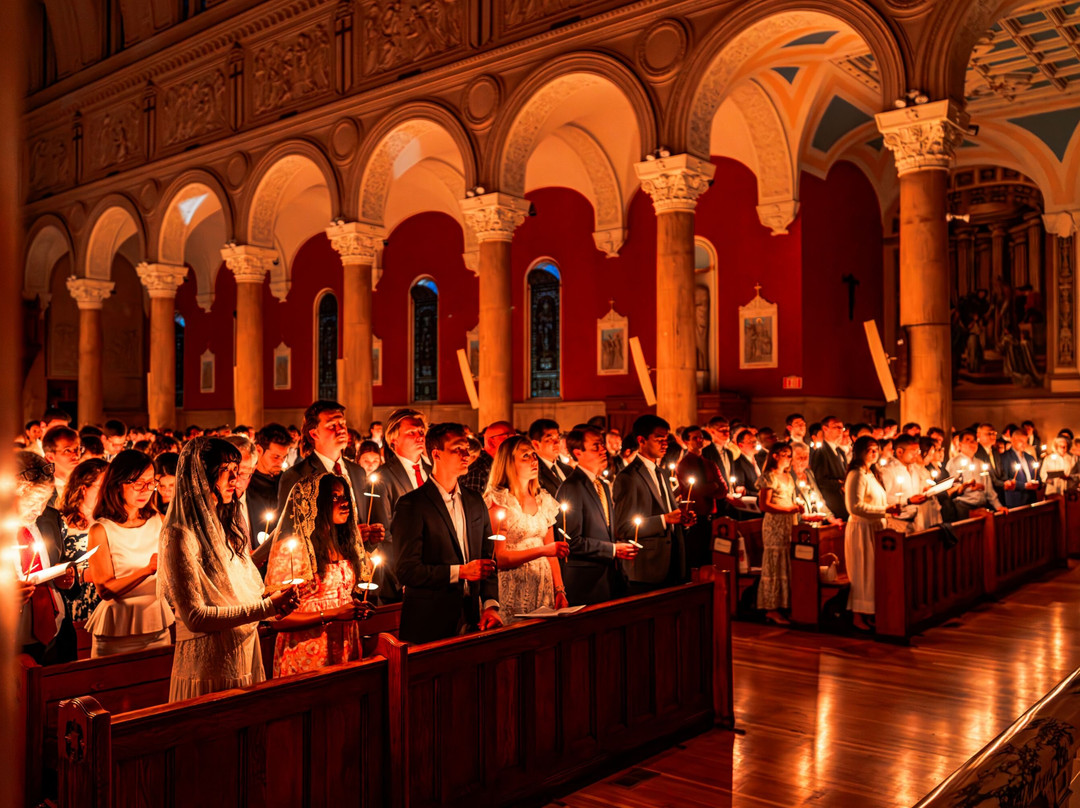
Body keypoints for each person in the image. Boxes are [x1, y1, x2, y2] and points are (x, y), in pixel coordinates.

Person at [159, 438, 300, 701]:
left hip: (245, 653)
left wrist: (272, 596)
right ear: (203, 474)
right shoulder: (178, 534)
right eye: (228, 469)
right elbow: (195, 617)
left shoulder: (228, 522)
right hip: (209, 665)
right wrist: (267, 608)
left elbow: (235, 589)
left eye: (238, 470)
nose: (236, 478)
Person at [393, 423, 501, 643]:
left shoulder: (474, 501)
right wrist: (460, 572)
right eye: (457, 449)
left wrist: (490, 605)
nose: (466, 454)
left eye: (467, 448)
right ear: (436, 454)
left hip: (471, 618)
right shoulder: (413, 504)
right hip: (428, 621)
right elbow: (407, 571)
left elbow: (487, 558)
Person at [269, 472, 375, 677]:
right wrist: (332, 614)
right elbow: (275, 619)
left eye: (345, 496)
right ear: (313, 504)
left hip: (344, 645)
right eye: (335, 497)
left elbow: (340, 596)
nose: (345, 503)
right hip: (307, 653)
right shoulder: (292, 550)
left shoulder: (345, 546)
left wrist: (355, 607)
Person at [84, 450, 175, 657]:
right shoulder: (101, 530)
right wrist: (147, 570)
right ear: (118, 483)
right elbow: (105, 590)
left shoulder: (158, 520)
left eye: (151, 483)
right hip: (116, 629)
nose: (145, 490)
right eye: (137, 483)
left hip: (156, 623)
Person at [483, 436, 569, 621]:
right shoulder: (499, 501)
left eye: (534, 455)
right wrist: (543, 550)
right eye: (525, 456)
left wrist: (559, 589)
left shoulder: (543, 499)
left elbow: (552, 551)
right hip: (513, 585)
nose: (533, 460)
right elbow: (501, 558)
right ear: (509, 463)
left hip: (542, 585)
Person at [612, 415, 694, 592]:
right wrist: (664, 520)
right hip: (646, 566)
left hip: (673, 559)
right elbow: (623, 528)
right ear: (641, 440)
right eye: (659, 439)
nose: (665, 444)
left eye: (666, 439)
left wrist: (682, 520)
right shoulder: (628, 477)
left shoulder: (662, 473)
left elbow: (670, 513)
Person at [556, 427, 636, 604]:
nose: (603, 450)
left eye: (602, 445)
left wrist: (619, 545)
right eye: (595, 447)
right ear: (578, 452)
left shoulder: (602, 484)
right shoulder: (572, 486)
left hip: (607, 577)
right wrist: (613, 550)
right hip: (585, 581)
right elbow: (572, 541)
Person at [13, 451, 77, 665]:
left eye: (45, 500)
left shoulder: (50, 518)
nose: (40, 510)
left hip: (57, 635)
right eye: (33, 501)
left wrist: (67, 579)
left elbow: (62, 561)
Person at [844, 437, 899, 631]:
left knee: (873, 572)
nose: (874, 453)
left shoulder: (871, 474)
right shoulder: (856, 474)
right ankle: (858, 615)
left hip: (875, 528)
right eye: (870, 450)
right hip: (862, 529)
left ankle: (870, 612)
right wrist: (885, 510)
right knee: (862, 572)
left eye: (876, 449)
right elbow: (854, 507)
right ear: (860, 452)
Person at [57, 458, 108, 623]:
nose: (108, 492)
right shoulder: (61, 523)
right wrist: (81, 574)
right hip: (75, 602)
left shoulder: (109, 521)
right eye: (102, 486)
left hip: (107, 600)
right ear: (83, 488)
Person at [756, 443, 801, 624]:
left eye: (790, 455)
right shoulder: (768, 477)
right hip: (774, 524)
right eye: (785, 454)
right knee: (774, 563)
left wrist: (797, 508)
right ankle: (771, 608)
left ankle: (784, 604)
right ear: (775, 455)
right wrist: (788, 509)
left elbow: (790, 499)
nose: (789, 458)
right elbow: (764, 505)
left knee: (786, 563)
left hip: (789, 522)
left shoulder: (788, 476)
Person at [676, 425, 725, 569]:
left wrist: (711, 487)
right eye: (695, 438)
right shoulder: (684, 464)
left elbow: (723, 490)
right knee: (696, 560)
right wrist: (713, 486)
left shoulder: (709, 463)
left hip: (711, 517)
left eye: (701, 438)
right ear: (686, 442)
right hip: (695, 517)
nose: (699, 440)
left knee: (711, 560)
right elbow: (696, 490)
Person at [947, 429, 1006, 518]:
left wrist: (998, 506)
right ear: (960, 445)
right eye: (967, 440)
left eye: (974, 441)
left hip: (981, 505)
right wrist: (966, 486)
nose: (972, 443)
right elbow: (953, 488)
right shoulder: (954, 462)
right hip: (963, 506)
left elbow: (989, 489)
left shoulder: (980, 463)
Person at [249, 423, 291, 534]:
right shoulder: (246, 483)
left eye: (284, 457)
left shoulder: (288, 480)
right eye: (275, 456)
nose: (280, 462)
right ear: (259, 450)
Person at [789, 443, 839, 525]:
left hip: (815, 524)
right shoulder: (789, 477)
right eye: (799, 457)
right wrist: (804, 517)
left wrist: (831, 518)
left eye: (806, 457)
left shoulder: (809, 473)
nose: (803, 460)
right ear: (791, 459)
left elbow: (819, 498)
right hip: (799, 525)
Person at [459, 421, 516, 494]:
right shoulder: (478, 471)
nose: (516, 443)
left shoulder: (502, 465)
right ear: (491, 442)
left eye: (516, 437)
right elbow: (473, 504)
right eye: (509, 438)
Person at [810, 416, 849, 520]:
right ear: (825, 429)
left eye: (842, 427)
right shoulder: (821, 452)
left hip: (844, 500)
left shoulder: (840, 452)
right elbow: (821, 480)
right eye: (836, 427)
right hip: (832, 502)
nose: (840, 431)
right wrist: (841, 483)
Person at [529, 418, 573, 497]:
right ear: (536, 444)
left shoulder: (568, 469)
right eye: (550, 439)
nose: (556, 443)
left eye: (558, 438)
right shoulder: (534, 472)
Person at [1000, 428, 1041, 508]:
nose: (1024, 444)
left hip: (1031, 499)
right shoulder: (1005, 457)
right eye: (1021, 441)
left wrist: (1037, 483)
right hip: (1015, 501)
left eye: (1026, 441)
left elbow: (1037, 476)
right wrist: (1024, 485)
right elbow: (1005, 479)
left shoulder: (1029, 457)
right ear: (1013, 440)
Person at [42, 425, 81, 503]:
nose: (76, 455)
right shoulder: (43, 492)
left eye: (77, 449)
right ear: (50, 457)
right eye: (67, 451)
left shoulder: (86, 482)